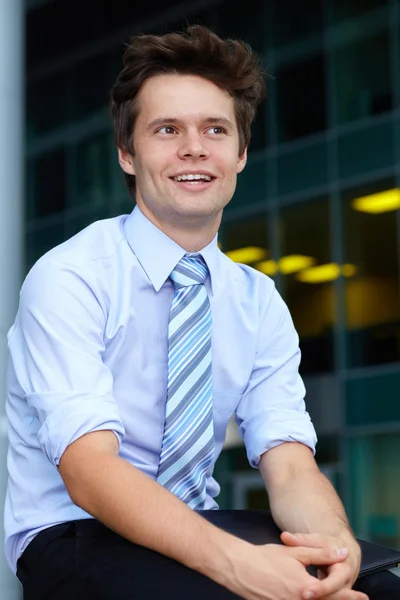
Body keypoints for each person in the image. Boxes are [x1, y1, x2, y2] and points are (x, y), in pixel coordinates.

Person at [4, 25, 369, 600]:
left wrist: (334, 552)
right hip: (74, 535)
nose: (194, 148)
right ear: (127, 153)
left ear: (241, 154)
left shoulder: (257, 301)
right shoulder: (71, 276)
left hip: (202, 525)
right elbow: (89, 473)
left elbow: (290, 465)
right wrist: (237, 567)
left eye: (215, 130)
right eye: (167, 129)